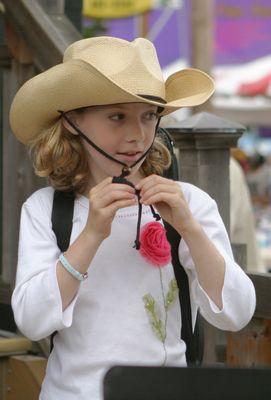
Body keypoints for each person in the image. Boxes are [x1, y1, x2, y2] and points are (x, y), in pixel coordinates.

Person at [10, 36, 256, 400]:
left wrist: (189, 228)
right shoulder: (44, 209)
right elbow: (32, 322)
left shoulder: (189, 203)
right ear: (72, 121)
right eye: (116, 116)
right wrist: (92, 234)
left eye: (148, 116)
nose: (137, 135)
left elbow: (236, 314)